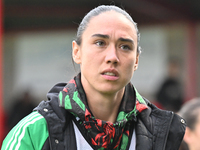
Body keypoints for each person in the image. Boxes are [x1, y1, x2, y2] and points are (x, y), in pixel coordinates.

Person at [1, 5, 186, 150]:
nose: (112, 57)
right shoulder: (33, 133)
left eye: (125, 46)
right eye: (100, 43)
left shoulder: (168, 133)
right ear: (77, 51)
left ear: (136, 60)